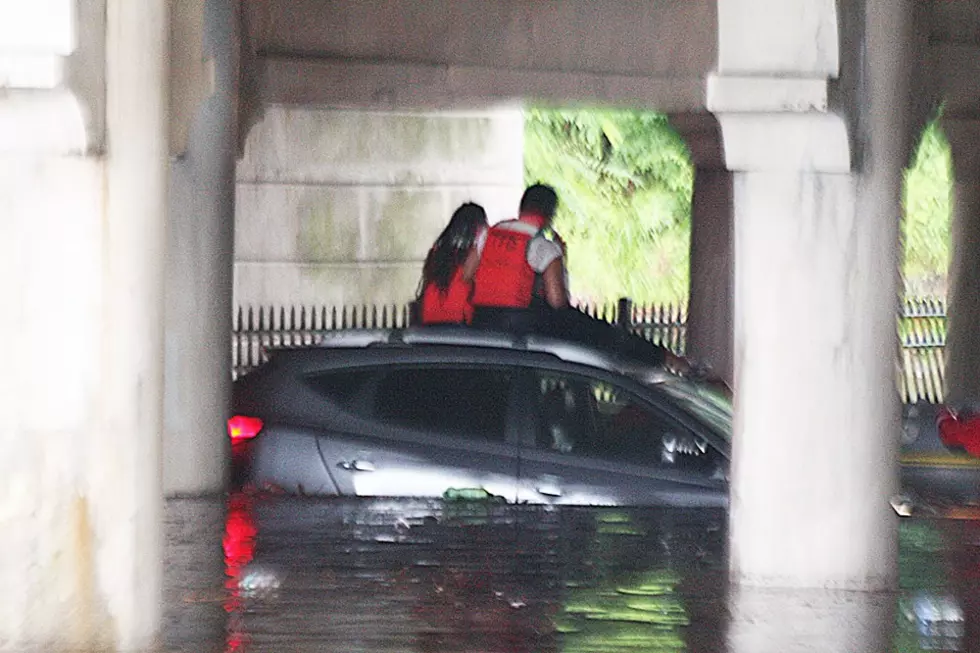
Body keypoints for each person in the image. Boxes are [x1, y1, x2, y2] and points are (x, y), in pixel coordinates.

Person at [466, 183, 692, 374]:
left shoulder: (490, 234)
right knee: (603, 334)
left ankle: (666, 358)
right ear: (549, 215)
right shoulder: (543, 246)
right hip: (524, 323)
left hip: (482, 319)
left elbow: (467, 274)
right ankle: (666, 359)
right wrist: (560, 259)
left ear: (522, 206)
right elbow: (557, 301)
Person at [417, 202, 488, 325]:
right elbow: (468, 276)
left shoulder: (437, 250)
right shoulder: (472, 253)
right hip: (457, 316)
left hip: (430, 315)